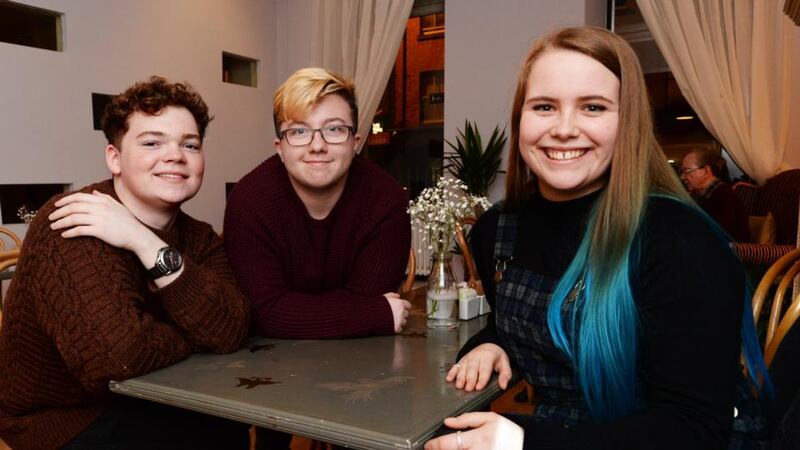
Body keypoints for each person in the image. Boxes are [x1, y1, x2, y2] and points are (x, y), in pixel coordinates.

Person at [426, 27, 769, 450]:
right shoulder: (497, 230)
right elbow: (530, 327)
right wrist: (493, 343)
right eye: (544, 106)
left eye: (593, 107)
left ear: (628, 122)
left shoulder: (680, 242)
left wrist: (523, 443)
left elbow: (694, 428)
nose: (564, 128)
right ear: (520, 119)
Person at [0, 76, 251, 450]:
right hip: (61, 418)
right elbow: (117, 358)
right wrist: (195, 336)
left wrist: (142, 240)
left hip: (153, 394)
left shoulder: (199, 236)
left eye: (190, 144)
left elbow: (232, 327)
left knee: (229, 425)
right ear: (114, 159)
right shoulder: (72, 219)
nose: (175, 155)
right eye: (152, 142)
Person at [223, 67, 411, 449]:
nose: (317, 145)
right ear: (280, 146)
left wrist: (296, 311)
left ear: (356, 141)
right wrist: (373, 314)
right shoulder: (250, 201)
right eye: (299, 131)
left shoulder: (386, 200)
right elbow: (264, 312)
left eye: (334, 129)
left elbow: (286, 309)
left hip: (361, 360)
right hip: (270, 362)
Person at [681, 149, 750, 241]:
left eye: (687, 171)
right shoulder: (699, 195)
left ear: (706, 170)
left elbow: (715, 236)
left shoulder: (725, 197)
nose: (682, 177)